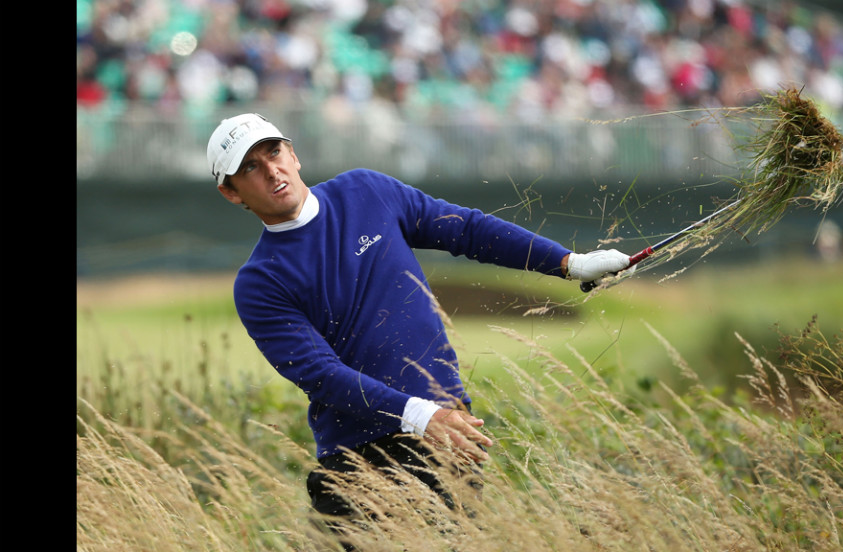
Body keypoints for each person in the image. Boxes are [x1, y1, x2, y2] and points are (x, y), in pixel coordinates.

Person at [206, 113, 633, 532]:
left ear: (293, 155)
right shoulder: (260, 281)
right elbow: (322, 375)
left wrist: (568, 263)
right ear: (232, 192)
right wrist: (420, 416)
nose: (271, 170)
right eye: (250, 167)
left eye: (274, 152)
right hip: (358, 457)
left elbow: (466, 230)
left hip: (446, 435)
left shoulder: (365, 191)